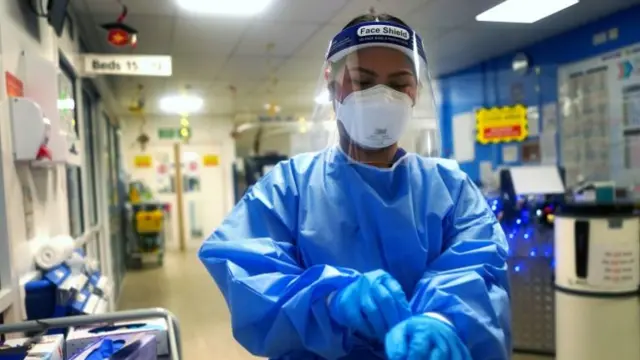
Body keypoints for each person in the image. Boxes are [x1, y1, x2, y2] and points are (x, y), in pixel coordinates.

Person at [199, 13, 511, 360]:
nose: (383, 97)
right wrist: (329, 300)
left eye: (398, 83)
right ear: (333, 85)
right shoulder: (289, 189)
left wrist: (442, 321)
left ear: (415, 92)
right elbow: (248, 274)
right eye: (363, 82)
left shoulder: (451, 190)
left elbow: (479, 270)